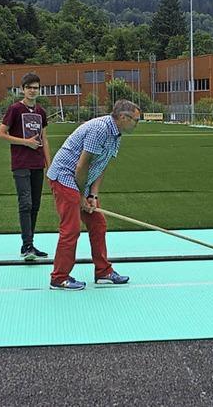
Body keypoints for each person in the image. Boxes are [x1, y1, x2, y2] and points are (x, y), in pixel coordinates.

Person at [46, 99, 141, 290]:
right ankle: (59, 277)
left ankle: (103, 272)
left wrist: (93, 196)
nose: (137, 124)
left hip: (82, 181)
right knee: (71, 229)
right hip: (65, 177)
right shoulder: (100, 129)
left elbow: (101, 165)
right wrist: (81, 196)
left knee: (98, 223)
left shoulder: (116, 134)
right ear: (123, 117)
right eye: (135, 120)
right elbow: (82, 165)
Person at [0, 73, 51, 260]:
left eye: (36, 87)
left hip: (37, 164)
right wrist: (25, 142)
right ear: (23, 89)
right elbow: (1, 134)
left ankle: (30, 244)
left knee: (35, 205)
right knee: (25, 203)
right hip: (21, 163)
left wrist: (49, 165)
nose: (33, 90)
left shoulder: (41, 112)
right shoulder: (15, 109)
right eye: (29, 87)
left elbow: (44, 138)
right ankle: (26, 245)